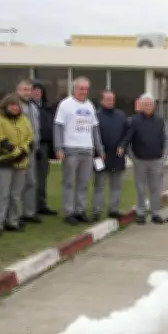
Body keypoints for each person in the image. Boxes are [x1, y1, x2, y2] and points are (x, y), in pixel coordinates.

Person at [53, 76, 104, 225]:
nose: (83, 91)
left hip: (87, 150)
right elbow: (58, 127)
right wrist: (59, 147)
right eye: (81, 88)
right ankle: (69, 212)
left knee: (83, 183)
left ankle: (80, 210)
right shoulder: (65, 105)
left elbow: (95, 129)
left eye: (86, 89)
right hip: (70, 149)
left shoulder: (90, 106)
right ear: (74, 89)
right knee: (69, 182)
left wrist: (99, 148)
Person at [121, 94, 168, 225]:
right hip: (140, 161)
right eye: (145, 104)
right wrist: (133, 158)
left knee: (155, 188)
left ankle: (155, 213)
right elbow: (128, 141)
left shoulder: (160, 120)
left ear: (154, 106)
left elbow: (166, 140)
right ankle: (140, 213)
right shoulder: (133, 120)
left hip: (156, 160)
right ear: (141, 106)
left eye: (150, 104)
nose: (148, 106)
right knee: (140, 188)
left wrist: (164, 157)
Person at [0, 94, 33, 236]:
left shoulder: (24, 120)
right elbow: (2, 141)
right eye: (12, 105)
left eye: (17, 105)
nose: (15, 107)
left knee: (16, 194)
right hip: (5, 161)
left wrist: (22, 152)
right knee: (3, 194)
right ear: (5, 107)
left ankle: (12, 221)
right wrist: (15, 153)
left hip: (22, 162)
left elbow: (30, 138)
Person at [93, 90, 128, 220]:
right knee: (99, 185)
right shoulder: (95, 115)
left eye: (112, 99)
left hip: (117, 156)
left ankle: (114, 209)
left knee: (116, 186)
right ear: (101, 100)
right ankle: (97, 211)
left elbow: (127, 133)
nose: (110, 102)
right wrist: (98, 150)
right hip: (100, 156)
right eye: (107, 99)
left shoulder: (121, 115)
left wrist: (123, 146)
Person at [14, 79, 41, 225]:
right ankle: (15, 215)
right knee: (18, 184)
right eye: (24, 89)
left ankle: (29, 212)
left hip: (32, 149)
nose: (27, 92)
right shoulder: (15, 106)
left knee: (31, 182)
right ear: (18, 91)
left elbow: (37, 129)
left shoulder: (34, 107)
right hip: (19, 150)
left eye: (29, 89)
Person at [30, 80, 57, 216]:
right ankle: (31, 207)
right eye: (34, 90)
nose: (36, 93)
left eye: (39, 90)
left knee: (43, 175)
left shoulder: (47, 107)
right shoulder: (28, 107)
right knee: (31, 176)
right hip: (32, 145)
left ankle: (42, 204)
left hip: (45, 145)